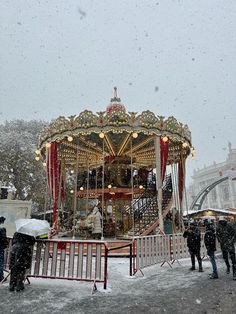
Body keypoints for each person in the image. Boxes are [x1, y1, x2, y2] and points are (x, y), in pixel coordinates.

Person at [0, 216, 8, 282]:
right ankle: (0, 276)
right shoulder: (2, 230)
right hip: (0, 247)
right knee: (0, 261)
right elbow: (4, 239)